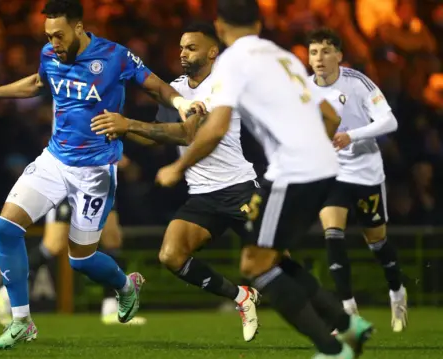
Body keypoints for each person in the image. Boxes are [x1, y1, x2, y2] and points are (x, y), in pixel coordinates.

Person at [0, 0, 203, 349]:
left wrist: (181, 104)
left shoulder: (114, 57)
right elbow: (38, 82)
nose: (53, 42)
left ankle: (125, 286)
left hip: (95, 171)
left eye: (58, 35)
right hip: (54, 161)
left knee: (80, 259)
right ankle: (21, 321)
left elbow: (157, 87)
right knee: (5, 227)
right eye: (48, 36)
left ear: (79, 28)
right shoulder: (49, 54)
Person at [155, 1, 373, 358]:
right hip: (317, 167)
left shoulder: (232, 64)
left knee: (256, 265)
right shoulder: (282, 56)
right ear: (258, 23)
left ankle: (333, 347)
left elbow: (215, 129)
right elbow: (330, 116)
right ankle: (348, 324)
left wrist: (177, 169)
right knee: (269, 258)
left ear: (220, 28)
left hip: (292, 171)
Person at [90, 21, 260, 342]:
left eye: (191, 47)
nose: (182, 53)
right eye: (181, 47)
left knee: (272, 264)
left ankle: (336, 319)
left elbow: (187, 133)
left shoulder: (223, 85)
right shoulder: (176, 90)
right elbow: (155, 136)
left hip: (239, 188)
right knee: (171, 255)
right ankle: (241, 297)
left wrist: (128, 124)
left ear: (212, 52)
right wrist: (118, 130)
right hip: (203, 195)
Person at [306, 28, 407, 333]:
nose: (319, 59)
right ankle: (347, 311)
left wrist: (352, 135)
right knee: (332, 233)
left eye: (325, 51)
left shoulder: (357, 82)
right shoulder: (304, 89)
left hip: (364, 171)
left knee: (377, 242)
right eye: (313, 53)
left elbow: (390, 120)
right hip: (332, 173)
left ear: (339, 55)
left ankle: (397, 292)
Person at [0, 157, 147, 326]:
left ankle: (110, 308)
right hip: (69, 174)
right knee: (53, 245)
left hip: (99, 178)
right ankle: (6, 294)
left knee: (112, 239)